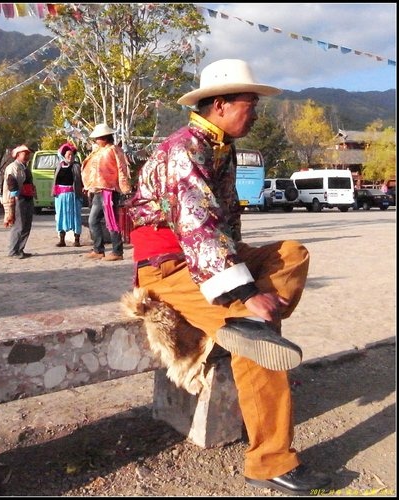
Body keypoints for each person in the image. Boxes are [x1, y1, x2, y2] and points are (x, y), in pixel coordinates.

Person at [127, 59, 332, 495]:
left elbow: (226, 226)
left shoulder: (222, 146)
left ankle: (244, 323)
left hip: (211, 255)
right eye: (249, 104)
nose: (255, 113)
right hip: (168, 264)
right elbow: (198, 225)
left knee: (292, 254)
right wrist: (242, 291)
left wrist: (248, 283)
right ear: (219, 104)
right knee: (260, 336)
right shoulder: (185, 148)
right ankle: (269, 461)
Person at [81, 123, 131, 261]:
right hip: (98, 190)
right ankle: (98, 249)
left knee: (111, 221)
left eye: (98, 138)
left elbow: (122, 168)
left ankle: (117, 251)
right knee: (93, 220)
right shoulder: (97, 151)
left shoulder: (114, 150)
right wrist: (89, 185)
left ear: (104, 137)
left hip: (109, 189)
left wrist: (124, 186)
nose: (96, 140)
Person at [2, 144, 35, 259]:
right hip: (18, 199)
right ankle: (13, 250)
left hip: (27, 198)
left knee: (26, 225)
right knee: (19, 225)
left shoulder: (25, 167)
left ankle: (20, 249)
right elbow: (12, 183)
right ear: (18, 155)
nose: (27, 155)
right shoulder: (13, 167)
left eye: (28, 153)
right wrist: (15, 197)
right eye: (24, 153)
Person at [52, 142, 84, 248]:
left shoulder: (76, 166)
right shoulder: (59, 166)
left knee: (75, 216)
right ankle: (62, 239)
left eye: (72, 155)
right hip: (61, 196)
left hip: (74, 195)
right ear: (64, 155)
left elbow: (81, 180)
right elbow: (55, 181)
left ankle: (77, 240)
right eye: (68, 155)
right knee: (61, 215)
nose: (70, 157)